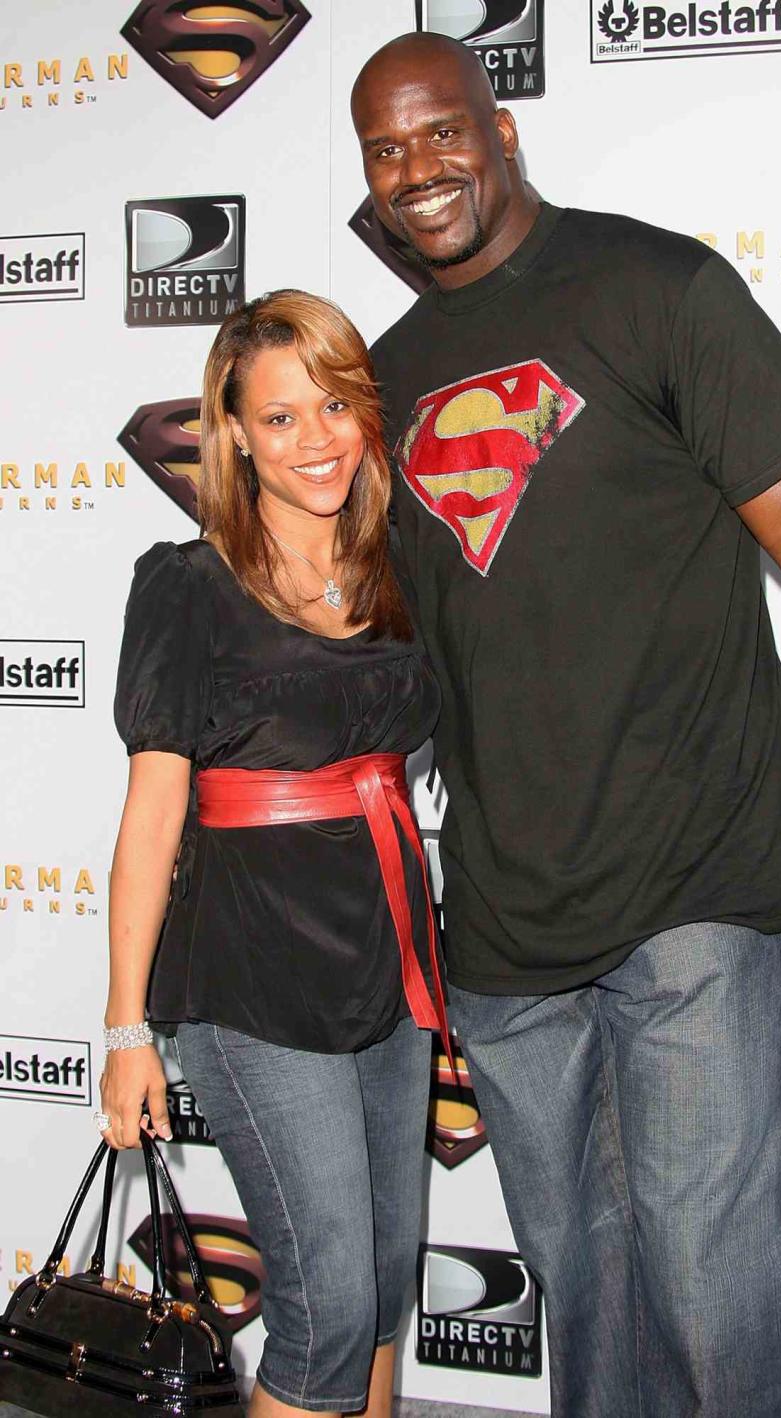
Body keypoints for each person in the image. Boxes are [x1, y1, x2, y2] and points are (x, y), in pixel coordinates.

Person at [351, 34, 781, 1418]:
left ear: (504, 130)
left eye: (442, 131)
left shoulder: (660, 289)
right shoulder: (393, 372)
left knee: (726, 1316)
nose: (420, 168)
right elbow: (407, 644)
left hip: (698, 899)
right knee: (590, 1326)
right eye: (386, 148)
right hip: (509, 938)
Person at [98, 289, 446, 1418]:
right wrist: (124, 1027)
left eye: (337, 404)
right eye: (282, 416)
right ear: (236, 432)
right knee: (326, 1305)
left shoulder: (397, 571)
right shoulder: (187, 584)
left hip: (385, 969)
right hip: (251, 980)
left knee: (384, 1287)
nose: (318, 438)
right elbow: (153, 815)